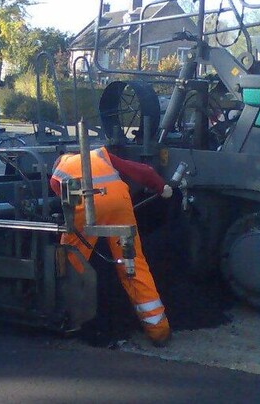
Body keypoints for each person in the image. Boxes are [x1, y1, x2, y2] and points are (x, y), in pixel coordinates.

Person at [50, 147, 174, 347]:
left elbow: (67, 209)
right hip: (119, 202)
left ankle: (69, 319)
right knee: (132, 263)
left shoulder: (58, 173)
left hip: (86, 207)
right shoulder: (99, 154)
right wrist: (161, 187)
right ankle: (158, 330)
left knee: (70, 260)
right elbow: (142, 171)